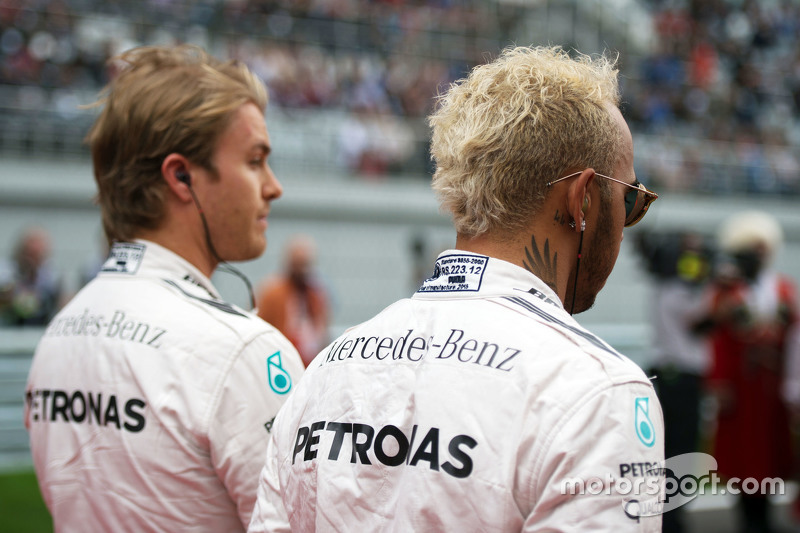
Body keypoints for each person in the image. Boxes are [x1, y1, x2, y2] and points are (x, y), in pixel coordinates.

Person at [249, 45, 663, 532]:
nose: (629, 220)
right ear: (584, 200)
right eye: (631, 198)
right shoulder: (598, 393)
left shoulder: (327, 368)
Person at [24, 45, 305, 532]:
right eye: (256, 160)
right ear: (180, 176)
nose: (273, 186)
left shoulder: (61, 330)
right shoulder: (244, 350)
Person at [706, 211, 797, 533]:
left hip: (772, 388)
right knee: (743, 456)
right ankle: (748, 519)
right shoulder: (727, 292)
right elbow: (716, 339)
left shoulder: (783, 288)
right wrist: (718, 383)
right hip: (741, 387)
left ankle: (766, 516)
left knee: (772, 453)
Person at [637, 231, 715, 533]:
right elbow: (702, 324)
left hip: (668, 377)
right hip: (681, 379)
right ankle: (671, 520)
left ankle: (666, 517)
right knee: (682, 451)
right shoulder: (678, 293)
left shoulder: (662, 288)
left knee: (668, 449)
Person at [257, 235, 330, 367]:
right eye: (298, 263)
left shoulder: (315, 293)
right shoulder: (273, 292)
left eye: (306, 264)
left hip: (309, 363)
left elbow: (323, 329)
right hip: (281, 360)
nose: (302, 269)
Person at [0, 227, 62, 326]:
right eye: (30, 254)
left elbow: (57, 301)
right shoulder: (6, 269)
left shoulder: (50, 275)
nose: (32, 260)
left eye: (37, 255)